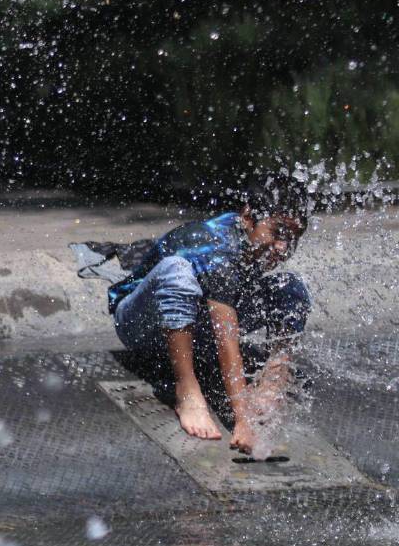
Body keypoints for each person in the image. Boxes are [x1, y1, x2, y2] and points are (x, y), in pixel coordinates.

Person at [109, 177, 311, 454]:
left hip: (194, 325)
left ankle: (276, 377)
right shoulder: (216, 245)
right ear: (248, 216)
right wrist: (243, 420)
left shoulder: (252, 242)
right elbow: (225, 336)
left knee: (291, 287)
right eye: (277, 232)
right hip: (142, 325)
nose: (282, 247)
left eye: (292, 238)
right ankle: (187, 389)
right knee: (177, 271)